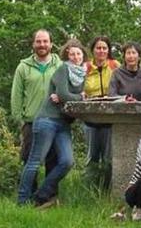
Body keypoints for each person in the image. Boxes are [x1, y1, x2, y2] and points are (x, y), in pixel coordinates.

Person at [17, 39, 87, 207]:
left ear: (83, 55)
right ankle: (22, 199)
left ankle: (41, 195)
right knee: (35, 161)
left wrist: (69, 98)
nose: (76, 57)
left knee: (67, 161)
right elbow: (63, 93)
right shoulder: (63, 69)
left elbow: (65, 98)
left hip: (63, 123)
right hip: (47, 120)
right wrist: (80, 97)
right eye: (72, 54)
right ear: (67, 56)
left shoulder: (81, 74)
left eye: (78, 53)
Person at [10, 29, 62, 195]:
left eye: (45, 41)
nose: (42, 45)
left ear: (51, 44)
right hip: (32, 121)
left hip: (55, 119)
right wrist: (19, 119)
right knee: (29, 160)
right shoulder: (23, 67)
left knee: (53, 160)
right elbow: (16, 95)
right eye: (39, 41)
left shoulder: (59, 65)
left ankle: (48, 196)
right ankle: (28, 195)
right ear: (33, 44)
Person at [81, 36, 120, 189]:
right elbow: (78, 87)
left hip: (110, 118)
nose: (101, 51)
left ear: (108, 50)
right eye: (98, 48)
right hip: (90, 118)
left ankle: (108, 191)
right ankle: (88, 191)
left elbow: (123, 83)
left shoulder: (115, 65)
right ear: (93, 50)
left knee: (109, 158)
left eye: (104, 48)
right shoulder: (86, 67)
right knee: (91, 158)